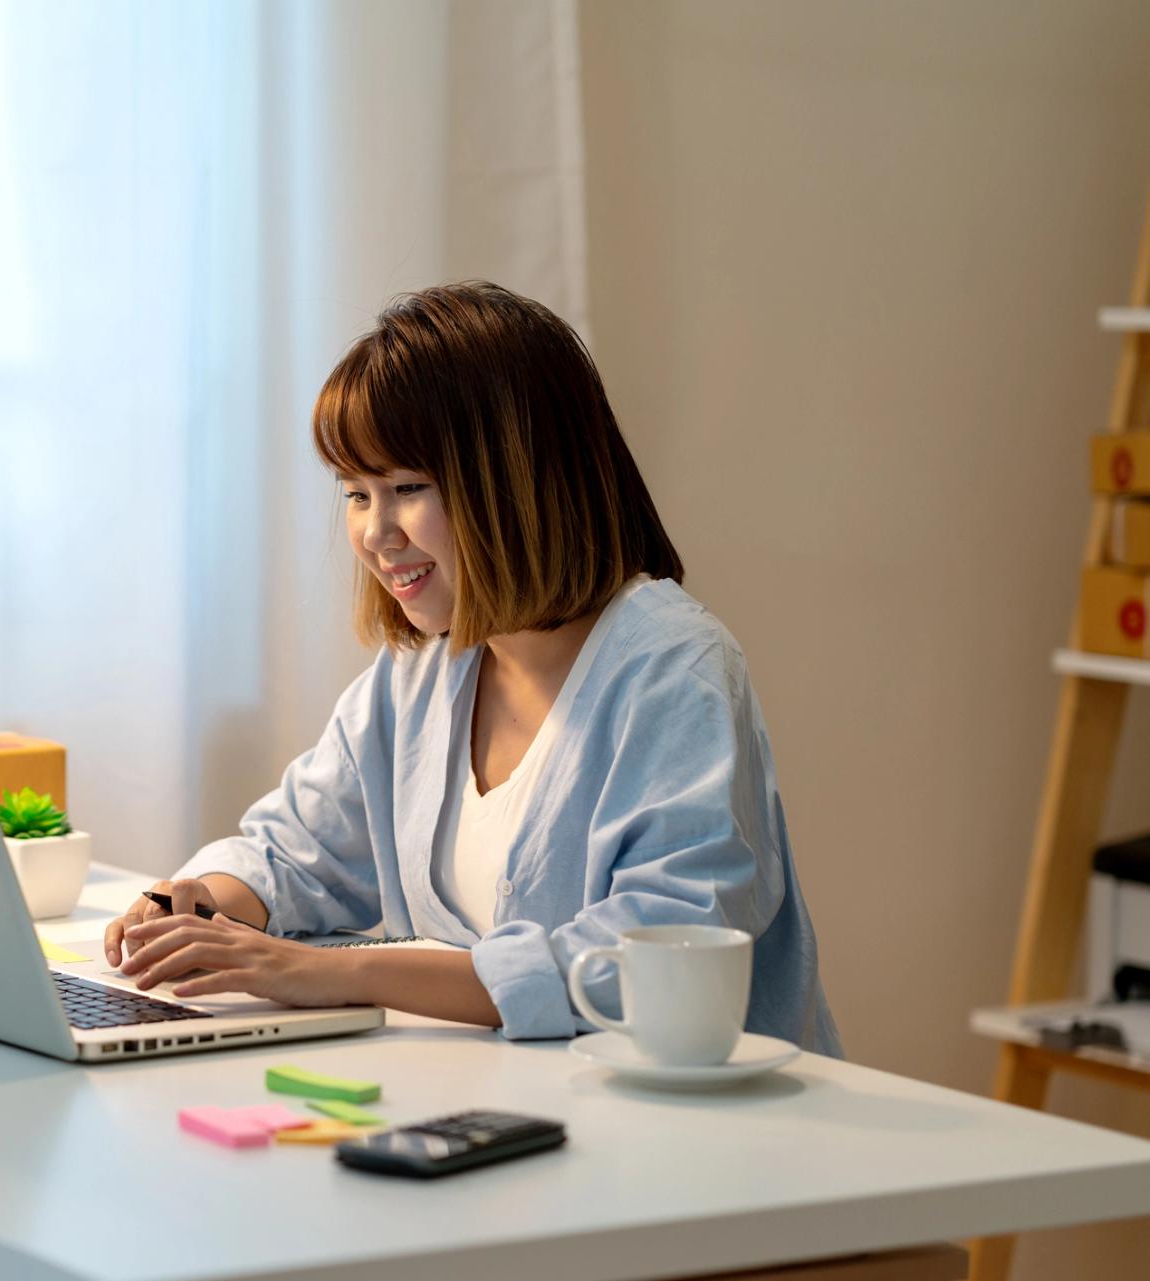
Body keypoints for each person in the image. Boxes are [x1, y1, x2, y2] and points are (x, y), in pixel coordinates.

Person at [103, 282, 840, 1054]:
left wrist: (333, 971)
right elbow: (294, 852)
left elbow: (647, 959)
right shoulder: (417, 678)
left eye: (407, 488)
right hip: (515, 1114)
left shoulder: (673, 673)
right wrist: (195, 907)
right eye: (356, 494)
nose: (375, 533)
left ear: (515, 481)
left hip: (694, 1139)